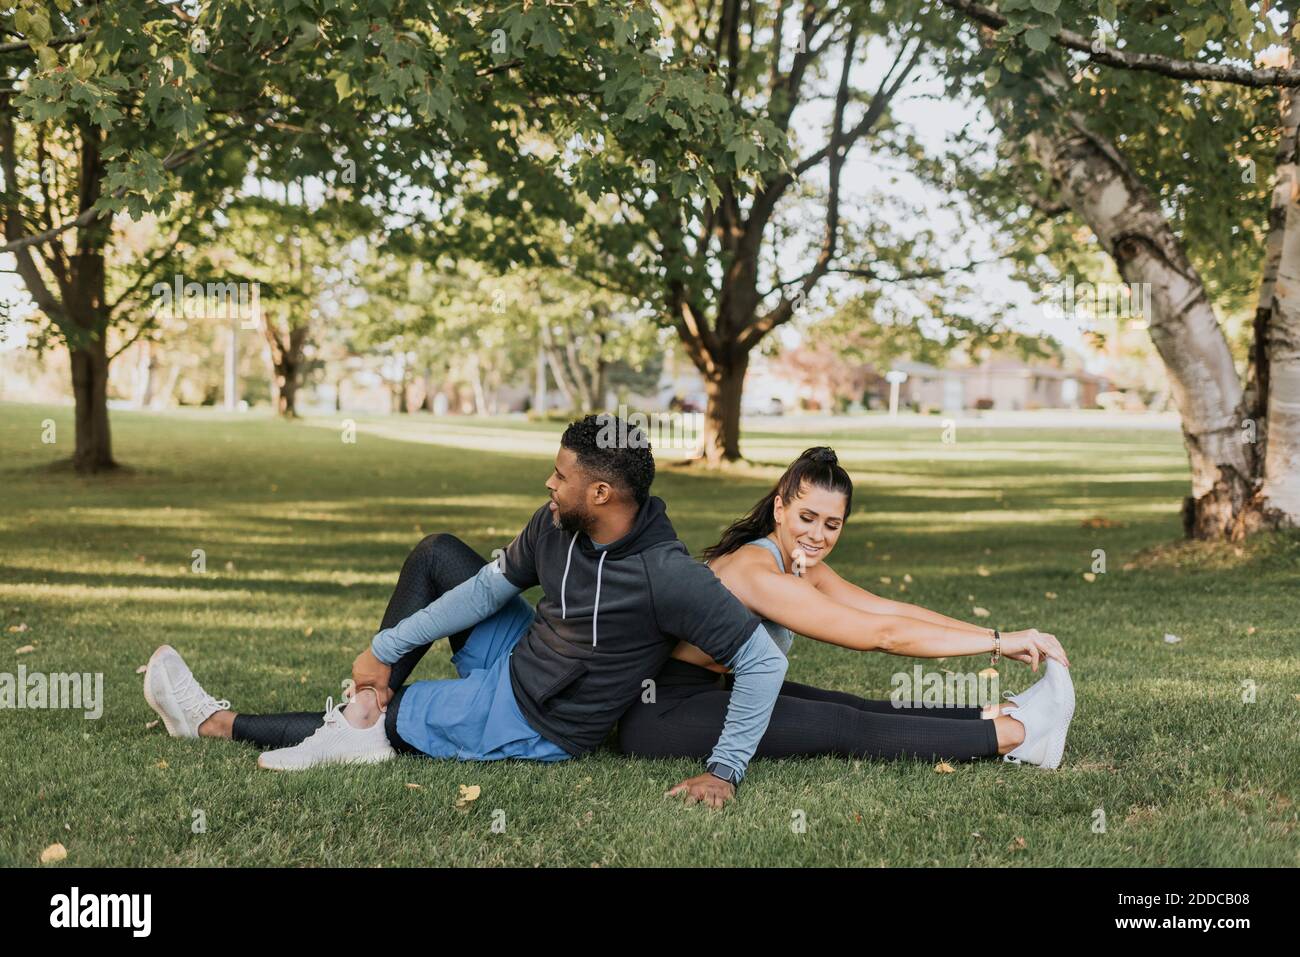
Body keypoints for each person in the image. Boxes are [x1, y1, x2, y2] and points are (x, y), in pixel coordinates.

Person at [143, 414, 788, 808]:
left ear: (600, 491)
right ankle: (364, 707)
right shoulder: (559, 523)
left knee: (391, 724)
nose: (548, 483)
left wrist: (724, 770)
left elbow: (761, 661)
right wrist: (387, 648)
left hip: (542, 717)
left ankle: (212, 724)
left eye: (560, 475)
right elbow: (484, 589)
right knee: (438, 555)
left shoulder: (664, 575)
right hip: (525, 656)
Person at [617, 447, 1076, 769]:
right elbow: (883, 636)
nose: (819, 535)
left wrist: (996, 636)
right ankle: (1016, 738)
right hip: (662, 714)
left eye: (832, 524)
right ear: (780, 508)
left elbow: (888, 610)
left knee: (850, 702)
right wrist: (997, 643)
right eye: (807, 518)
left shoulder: (797, 562)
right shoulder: (756, 571)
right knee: (842, 724)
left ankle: (998, 712)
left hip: (713, 689)